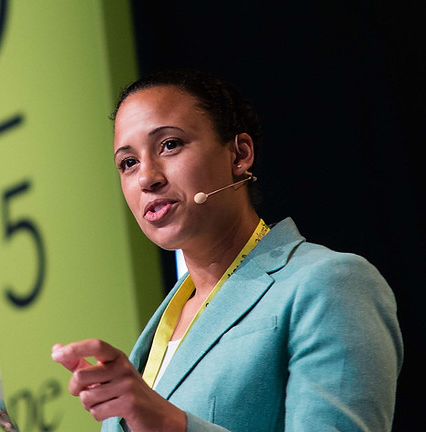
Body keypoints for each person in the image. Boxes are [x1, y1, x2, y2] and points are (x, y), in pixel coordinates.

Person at [51, 69, 403, 432]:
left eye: (170, 144)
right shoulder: (162, 327)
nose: (147, 178)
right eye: (128, 163)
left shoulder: (330, 284)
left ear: (240, 154)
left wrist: (173, 424)